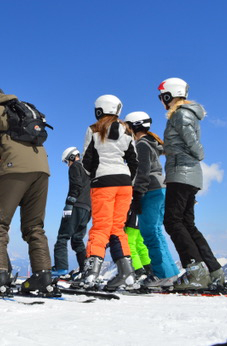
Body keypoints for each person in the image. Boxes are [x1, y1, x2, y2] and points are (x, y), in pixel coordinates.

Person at [0, 87, 59, 297]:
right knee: (34, 226)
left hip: (14, 169)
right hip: (42, 170)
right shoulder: (26, 108)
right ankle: (43, 276)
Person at [157, 78, 223, 290]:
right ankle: (214, 271)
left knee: (172, 221)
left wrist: (193, 154)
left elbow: (194, 146)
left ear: (169, 95)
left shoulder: (181, 114)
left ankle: (195, 271)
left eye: (161, 97)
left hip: (181, 173)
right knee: (187, 223)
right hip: (187, 174)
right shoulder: (185, 114)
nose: (161, 101)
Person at [79, 95, 138, 291]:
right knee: (117, 228)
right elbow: (134, 160)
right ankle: (127, 273)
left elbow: (87, 159)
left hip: (103, 182)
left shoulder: (94, 129)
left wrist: (93, 176)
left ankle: (91, 274)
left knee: (100, 227)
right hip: (124, 183)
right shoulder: (127, 130)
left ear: (99, 109)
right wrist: (128, 180)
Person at [124, 111, 179, 288]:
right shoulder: (151, 143)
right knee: (156, 232)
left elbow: (143, 172)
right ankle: (169, 273)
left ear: (134, 126)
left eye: (127, 127)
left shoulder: (141, 144)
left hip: (151, 190)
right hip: (160, 189)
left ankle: (162, 275)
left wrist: (137, 195)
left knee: (149, 233)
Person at [52, 147, 91, 279]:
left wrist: (69, 203)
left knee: (62, 237)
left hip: (76, 206)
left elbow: (76, 185)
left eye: (66, 161)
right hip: (87, 209)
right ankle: (85, 269)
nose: (67, 164)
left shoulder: (75, 167)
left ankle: (60, 268)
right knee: (77, 240)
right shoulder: (88, 170)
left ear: (72, 157)